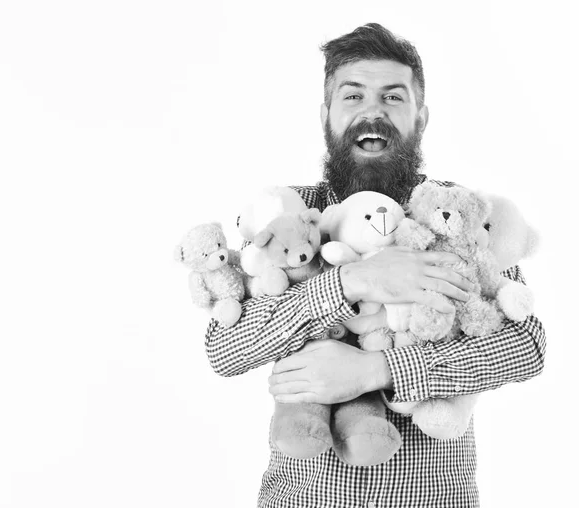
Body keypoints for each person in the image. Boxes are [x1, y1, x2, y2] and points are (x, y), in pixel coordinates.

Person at [205, 23, 546, 508]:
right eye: (353, 96)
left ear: (420, 117)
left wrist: (379, 368)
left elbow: (525, 346)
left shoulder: (456, 215)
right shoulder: (285, 215)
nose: (373, 112)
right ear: (326, 115)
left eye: (392, 97)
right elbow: (225, 349)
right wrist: (352, 281)